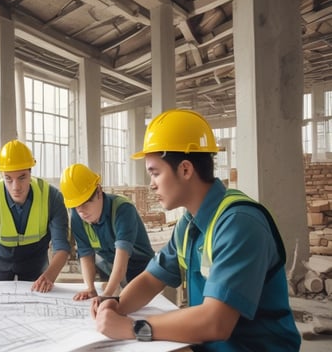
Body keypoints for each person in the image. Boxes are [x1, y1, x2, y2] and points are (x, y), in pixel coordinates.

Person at [92, 109, 300, 351]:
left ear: (185, 170)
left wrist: (131, 327)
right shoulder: (188, 225)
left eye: (155, 173)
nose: (151, 184)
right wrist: (116, 305)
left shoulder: (239, 224)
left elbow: (215, 323)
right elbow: (152, 279)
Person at [0, 139, 71, 295]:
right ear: (2, 175)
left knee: (37, 300)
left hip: (35, 258)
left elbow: (61, 246)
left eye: (22, 177)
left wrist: (49, 276)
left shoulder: (52, 197)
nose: (16, 187)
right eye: (8, 179)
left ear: (30, 172)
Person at [60, 163, 154, 301]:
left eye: (85, 203)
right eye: (76, 206)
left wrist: (107, 294)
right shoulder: (77, 215)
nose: (81, 211)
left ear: (98, 191)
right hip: (111, 268)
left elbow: (122, 258)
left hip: (141, 270)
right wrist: (90, 288)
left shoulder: (123, 209)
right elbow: (86, 254)